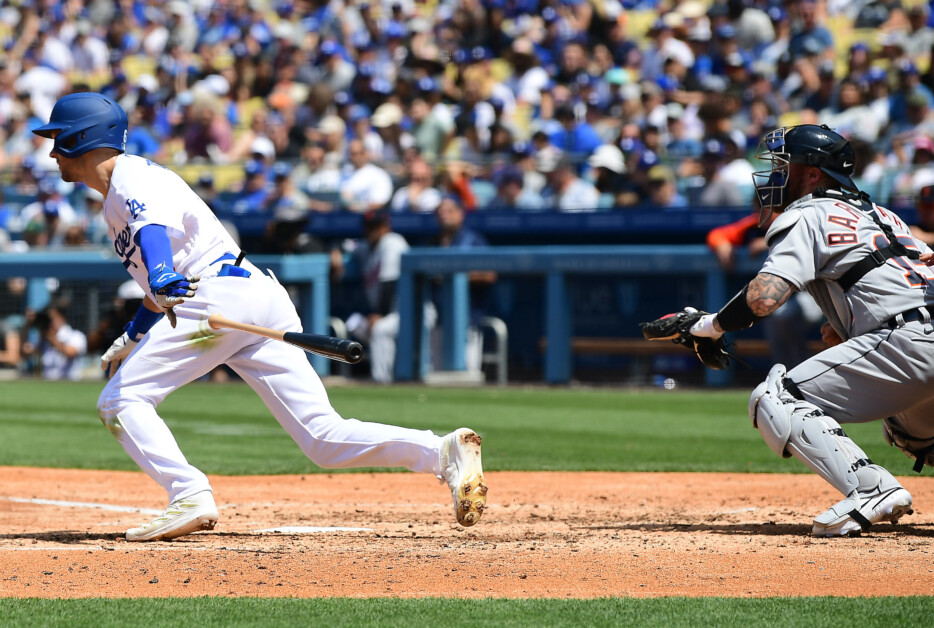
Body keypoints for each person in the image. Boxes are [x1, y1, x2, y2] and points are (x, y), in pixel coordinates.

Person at [33, 92, 487, 541]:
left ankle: (188, 493)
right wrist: (133, 333)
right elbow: (158, 285)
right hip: (249, 292)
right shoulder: (119, 195)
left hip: (218, 296)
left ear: (82, 138)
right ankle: (442, 452)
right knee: (323, 439)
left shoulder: (130, 175)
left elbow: (154, 235)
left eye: (58, 139)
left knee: (120, 401)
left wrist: (163, 270)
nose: (53, 151)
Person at [660, 124, 932, 537]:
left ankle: (870, 488)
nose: (774, 175)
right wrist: (853, 327)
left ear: (812, 174)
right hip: (916, 334)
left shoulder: (808, 212)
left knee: (776, 397)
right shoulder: (885, 215)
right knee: (911, 428)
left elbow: (763, 299)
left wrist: (707, 326)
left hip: (909, 342)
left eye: (784, 165)